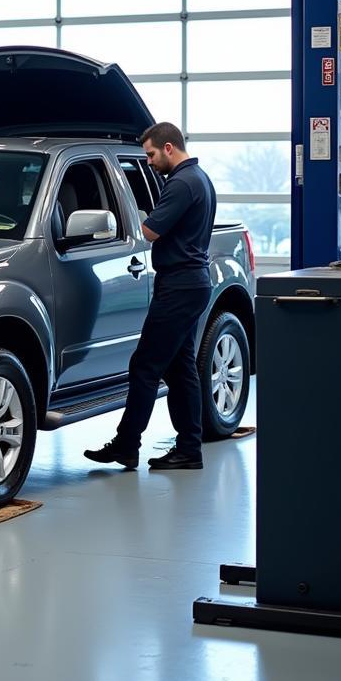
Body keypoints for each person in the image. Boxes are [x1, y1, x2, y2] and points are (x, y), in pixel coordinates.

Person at [84, 122, 216, 471]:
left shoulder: (182, 183)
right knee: (180, 366)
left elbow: (149, 232)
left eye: (152, 154)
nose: (150, 162)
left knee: (144, 365)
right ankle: (189, 448)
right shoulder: (200, 178)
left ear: (169, 147)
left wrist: (127, 222)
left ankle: (127, 445)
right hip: (192, 283)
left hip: (179, 287)